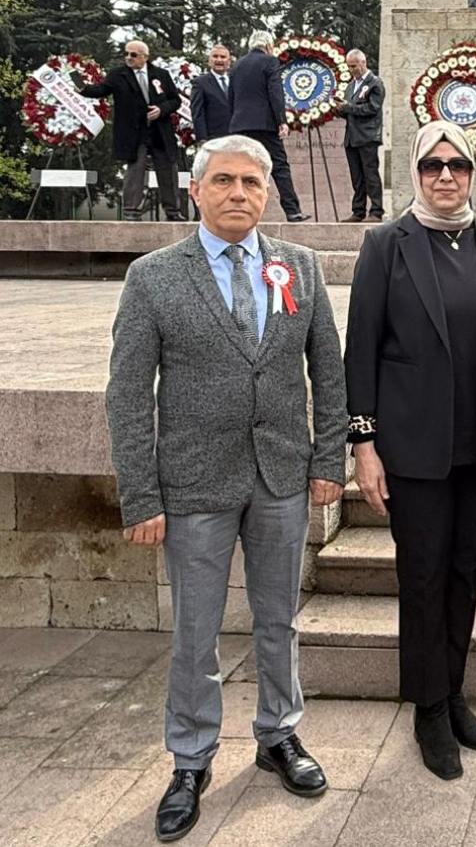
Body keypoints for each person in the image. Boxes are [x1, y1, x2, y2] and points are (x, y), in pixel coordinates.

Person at [107, 134, 348, 842]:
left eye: (251, 181)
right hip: (194, 484)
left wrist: (327, 457)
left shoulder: (299, 266)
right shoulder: (153, 277)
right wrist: (141, 495)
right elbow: (127, 394)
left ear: (267, 192)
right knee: (196, 631)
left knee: (279, 620)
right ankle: (190, 759)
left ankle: (279, 734)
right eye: (224, 181)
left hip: (280, 475)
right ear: (197, 190)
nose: (238, 192)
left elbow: (327, 371)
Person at [344, 120, 476, 781]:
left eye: (457, 164)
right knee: (422, 579)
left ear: (473, 171)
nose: (445, 175)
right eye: (432, 165)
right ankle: (426, 706)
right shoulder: (386, 245)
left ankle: (452, 693)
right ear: (417, 173)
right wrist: (362, 441)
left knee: (464, 574)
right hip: (413, 451)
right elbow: (359, 347)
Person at [76, 39, 184, 222]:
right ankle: (132, 211)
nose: (128, 58)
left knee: (168, 172)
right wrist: (82, 88)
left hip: (160, 132)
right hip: (135, 133)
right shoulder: (118, 75)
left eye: (133, 55)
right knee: (135, 171)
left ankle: (173, 211)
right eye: (126, 53)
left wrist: (161, 109)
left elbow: (175, 100)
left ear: (145, 56)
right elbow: (102, 90)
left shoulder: (161, 74)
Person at [228, 30, 310, 223]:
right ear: (268, 46)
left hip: (240, 125)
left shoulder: (237, 65)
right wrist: (281, 120)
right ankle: (292, 210)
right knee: (279, 166)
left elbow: (230, 98)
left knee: (243, 169)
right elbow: (275, 92)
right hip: (264, 125)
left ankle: (240, 211)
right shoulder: (269, 62)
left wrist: (234, 122)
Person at [334, 49, 385, 223]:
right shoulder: (351, 85)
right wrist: (339, 109)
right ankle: (358, 211)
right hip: (352, 137)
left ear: (363, 63)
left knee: (370, 174)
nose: (351, 70)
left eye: (354, 66)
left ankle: (376, 211)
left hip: (368, 136)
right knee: (357, 177)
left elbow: (372, 108)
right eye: (349, 67)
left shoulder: (375, 84)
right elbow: (350, 111)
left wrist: (348, 107)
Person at [190, 44, 234, 145]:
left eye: (223, 57)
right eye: (215, 56)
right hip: (213, 139)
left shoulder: (236, 81)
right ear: (209, 61)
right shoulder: (200, 83)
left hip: (237, 138)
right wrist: (202, 139)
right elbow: (197, 113)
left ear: (229, 61)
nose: (219, 60)